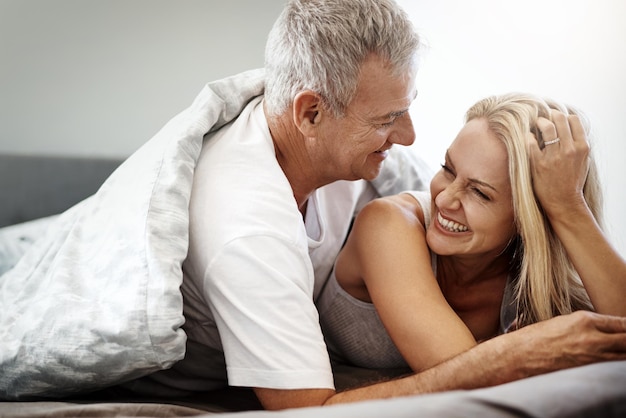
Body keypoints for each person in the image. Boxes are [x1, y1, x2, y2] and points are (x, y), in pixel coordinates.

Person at [2, 0, 626, 413]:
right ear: (309, 112)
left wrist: (566, 207)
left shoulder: (357, 157)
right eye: (388, 118)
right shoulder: (245, 227)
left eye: (408, 109)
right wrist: (508, 357)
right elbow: (308, 412)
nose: (409, 136)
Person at [317, 93, 626, 374]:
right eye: (448, 168)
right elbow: (463, 375)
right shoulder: (387, 223)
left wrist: (568, 207)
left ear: (530, 218)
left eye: (479, 193)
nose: (444, 199)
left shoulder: (536, 279)